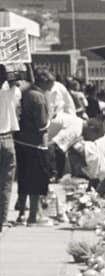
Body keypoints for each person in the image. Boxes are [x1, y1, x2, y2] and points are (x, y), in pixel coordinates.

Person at [13, 68, 52, 226]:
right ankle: (33, 216)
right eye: (50, 84)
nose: (50, 88)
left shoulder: (23, 92)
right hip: (36, 143)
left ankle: (21, 214)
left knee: (23, 180)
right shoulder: (39, 97)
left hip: (20, 141)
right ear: (45, 82)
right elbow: (42, 124)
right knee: (36, 181)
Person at [0, 65, 19, 231]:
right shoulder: (9, 93)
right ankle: (2, 219)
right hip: (6, 138)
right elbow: (15, 80)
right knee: (6, 183)